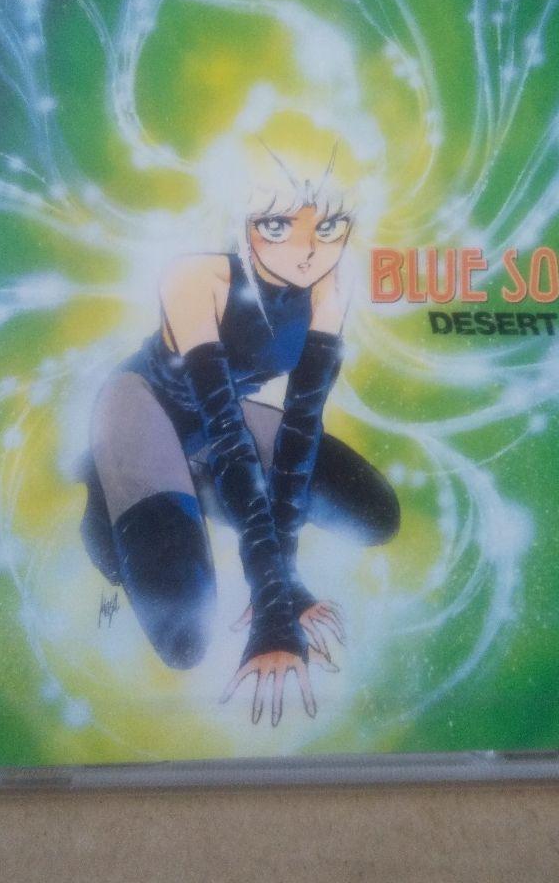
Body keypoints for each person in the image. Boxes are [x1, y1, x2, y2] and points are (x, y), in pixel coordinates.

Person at [80, 129, 399, 726]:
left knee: (375, 515)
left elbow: (301, 429)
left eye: (330, 226)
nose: (308, 250)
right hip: (143, 406)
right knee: (184, 638)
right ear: (242, 222)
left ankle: (190, 487)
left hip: (216, 425)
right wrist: (272, 606)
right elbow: (229, 436)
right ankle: (107, 490)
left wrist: (284, 586)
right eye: (277, 225)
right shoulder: (196, 279)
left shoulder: (331, 286)